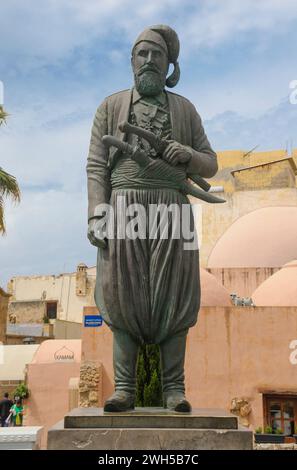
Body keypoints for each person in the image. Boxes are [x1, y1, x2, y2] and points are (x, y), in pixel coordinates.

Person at [87, 25, 218, 412]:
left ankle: (174, 388)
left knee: (175, 297)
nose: (148, 61)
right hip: (123, 207)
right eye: (141, 54)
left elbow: (210, 165)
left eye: (156, 55)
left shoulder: (185, 110)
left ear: (167, 64)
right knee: (120, 293)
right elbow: (96, 166)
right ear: (131, 61)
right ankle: (124, 387)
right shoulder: (110, 108)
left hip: (173, 208)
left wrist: (189, 157)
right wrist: (98, 213)